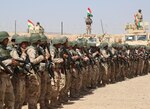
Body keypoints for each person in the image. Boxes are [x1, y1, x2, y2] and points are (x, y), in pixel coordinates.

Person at [0, 31, 18, 109]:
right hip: (1, 77)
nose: (7, 40)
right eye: (6, 39)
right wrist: (10, 61)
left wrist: (13, 63)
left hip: (7, 76)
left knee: (11, 99)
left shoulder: (6, 50)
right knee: (1, 100)